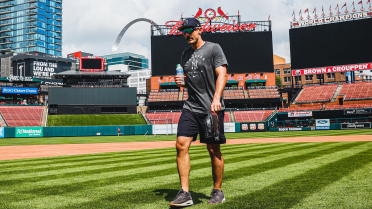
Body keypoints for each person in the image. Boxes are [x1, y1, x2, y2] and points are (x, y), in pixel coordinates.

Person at [170, 18, 228, 207]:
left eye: (189, 30)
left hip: (211, 108)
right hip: (191, 107)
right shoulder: (185, 54)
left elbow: (222, 74)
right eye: (183, 31)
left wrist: (217, 98)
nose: (186, 34)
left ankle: (218, 191)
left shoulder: (213, 49)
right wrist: (183, 83)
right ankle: (185, 193)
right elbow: (190, 81)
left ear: (199, 30)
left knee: (213, 150)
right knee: (181, 145)